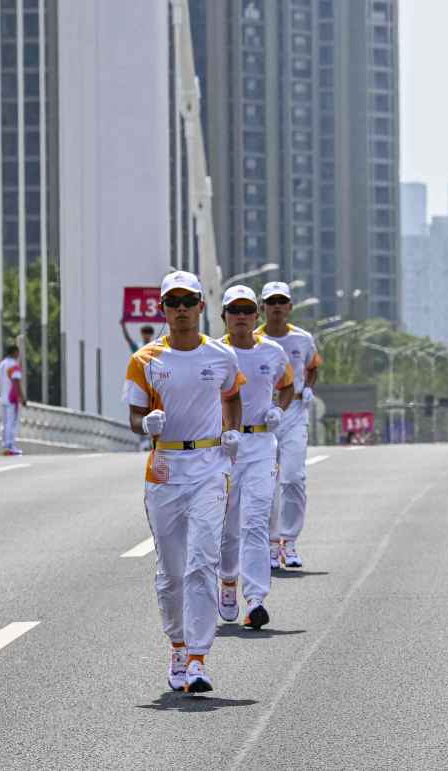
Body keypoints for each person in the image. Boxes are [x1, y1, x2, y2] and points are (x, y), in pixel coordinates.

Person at [124, 270, 245, 693]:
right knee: (171, 572)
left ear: (200, 306)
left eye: (187, 301)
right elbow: (135, 416)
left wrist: (232, 430)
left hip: (210, 467)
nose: (180, 310)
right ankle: (176, 646)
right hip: (165, 470)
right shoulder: (145, 360)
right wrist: (146, 425)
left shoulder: (221, 357)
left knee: (202, 564)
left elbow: (232, 394)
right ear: (164, 309)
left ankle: (198, 657)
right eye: (172, 303)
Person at [218, 285, 294, 631]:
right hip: (223, 447)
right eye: (235, 310)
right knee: (227, 524)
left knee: (255, 522)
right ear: (224, 316)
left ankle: (257, 599)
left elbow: (288, 385)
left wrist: (278, 409)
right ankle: (229, 580)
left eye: (248, 310)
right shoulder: (215, 353)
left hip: (262, 444)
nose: (241, 317)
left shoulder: (274, 352)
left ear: (256, 315)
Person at [257, 281, 322, 569]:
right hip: (262, 414)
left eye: (282, 301)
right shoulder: (253, 340)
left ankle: (289, 540)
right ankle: (271, 544)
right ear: (262, 308)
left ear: (290, 307)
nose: (277, 307)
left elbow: (313, 365)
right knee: (266, 482)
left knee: (294, 477)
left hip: (294, 412)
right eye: (271, 302)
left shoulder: (303, 339)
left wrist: (307, 387)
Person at [0, 344, 26, 456]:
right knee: (12, 423)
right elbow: (16, 382)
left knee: (4, 423)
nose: (19, 355)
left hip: (3, 397)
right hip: (12, 398)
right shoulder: (14, 365)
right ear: (14, 352)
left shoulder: (1, 364)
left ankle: (5, 446)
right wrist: (22, 398)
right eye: (18, 352)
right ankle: (10, 447)